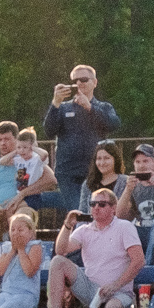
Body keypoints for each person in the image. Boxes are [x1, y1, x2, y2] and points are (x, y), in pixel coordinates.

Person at [47, 190, 143, 308]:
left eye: (102, 204)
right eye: (93, 204)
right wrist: (67, 225)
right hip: (90, 289)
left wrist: (115, 285)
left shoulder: (124, 227)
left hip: (119, 291)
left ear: (113, 208)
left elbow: (139, 261)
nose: (96, 207)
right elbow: (61, 250)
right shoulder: (85, 230)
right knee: (57, 261)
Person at [43, 64, 122, 210]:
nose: (79, 83)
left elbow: (114, 125)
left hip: (95, 170)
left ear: (95, 82)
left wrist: (90, 108)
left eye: (84, 79)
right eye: (75, 81)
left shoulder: (103, 107)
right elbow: (49, 130)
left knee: (94, 210)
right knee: (77, 210)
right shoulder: (63, 107)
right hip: (67, 171)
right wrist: (55, 103)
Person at [0, 121, 58, 235]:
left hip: (22, 206)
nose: (3, 143)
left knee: (20, 222)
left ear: (16, 139)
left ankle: (23, 251)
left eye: (7, 139)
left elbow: (51, 180)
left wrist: (22, 195)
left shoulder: (26, 158)